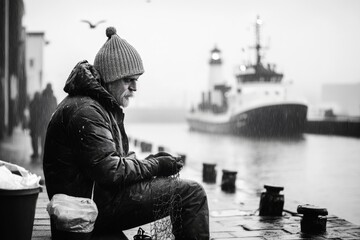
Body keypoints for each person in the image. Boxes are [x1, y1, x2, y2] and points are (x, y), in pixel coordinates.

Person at [43, 27, 209, 240]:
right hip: (86, 211)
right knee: (192, 193)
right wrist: (156, 166)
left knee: (180, 190)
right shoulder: (86, 111)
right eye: (128, 80)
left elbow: (112, 163)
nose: (135, 87)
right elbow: (111, 171)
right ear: (110, 77)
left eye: (136, 79)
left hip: (93, 201)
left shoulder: (97, 106)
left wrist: (149, 162)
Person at [39, 83, 57, 158]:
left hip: (44, 120)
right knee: (49, 138)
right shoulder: (53, 98)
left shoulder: (43, 97)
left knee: (43, 138)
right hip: (49, 120)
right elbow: (55, 109)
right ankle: (47, 153)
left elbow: (40, 109)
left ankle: (43, 153)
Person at [29, 92, 42, 159]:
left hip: (34, 124)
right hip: (37, 124)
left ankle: (35, 153)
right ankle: (36, 153)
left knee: (34, 139)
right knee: (36, 139)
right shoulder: (40, 103)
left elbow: (31, 114)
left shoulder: (32, 103)